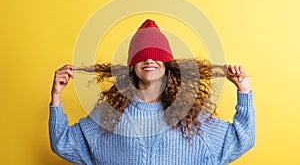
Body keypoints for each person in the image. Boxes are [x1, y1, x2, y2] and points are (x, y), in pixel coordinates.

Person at [49, 19, 255, 165]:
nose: (149, 60)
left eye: (156, 55)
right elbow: (64, 143)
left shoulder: (190, 118)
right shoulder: (110, 115)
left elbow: (241, 140)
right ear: (131, 66)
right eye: (141, 55)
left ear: (167, 65)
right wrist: (56, 97)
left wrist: (244, 91)